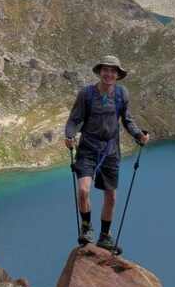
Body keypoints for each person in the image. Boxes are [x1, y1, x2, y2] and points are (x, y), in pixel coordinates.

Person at [64, 55, 150, 252]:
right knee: (84, 190)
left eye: (113, 71)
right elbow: (74, 120)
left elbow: (127, 119)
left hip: (111, 150)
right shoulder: (86, 94)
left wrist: (139, 135)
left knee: (111, 196)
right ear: (99, 72)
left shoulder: (121, 94)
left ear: (118, 75)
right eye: (105, 70)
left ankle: (105, 236)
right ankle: (87, 227)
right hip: (88, 148)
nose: (109, 74)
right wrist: (69, 135)